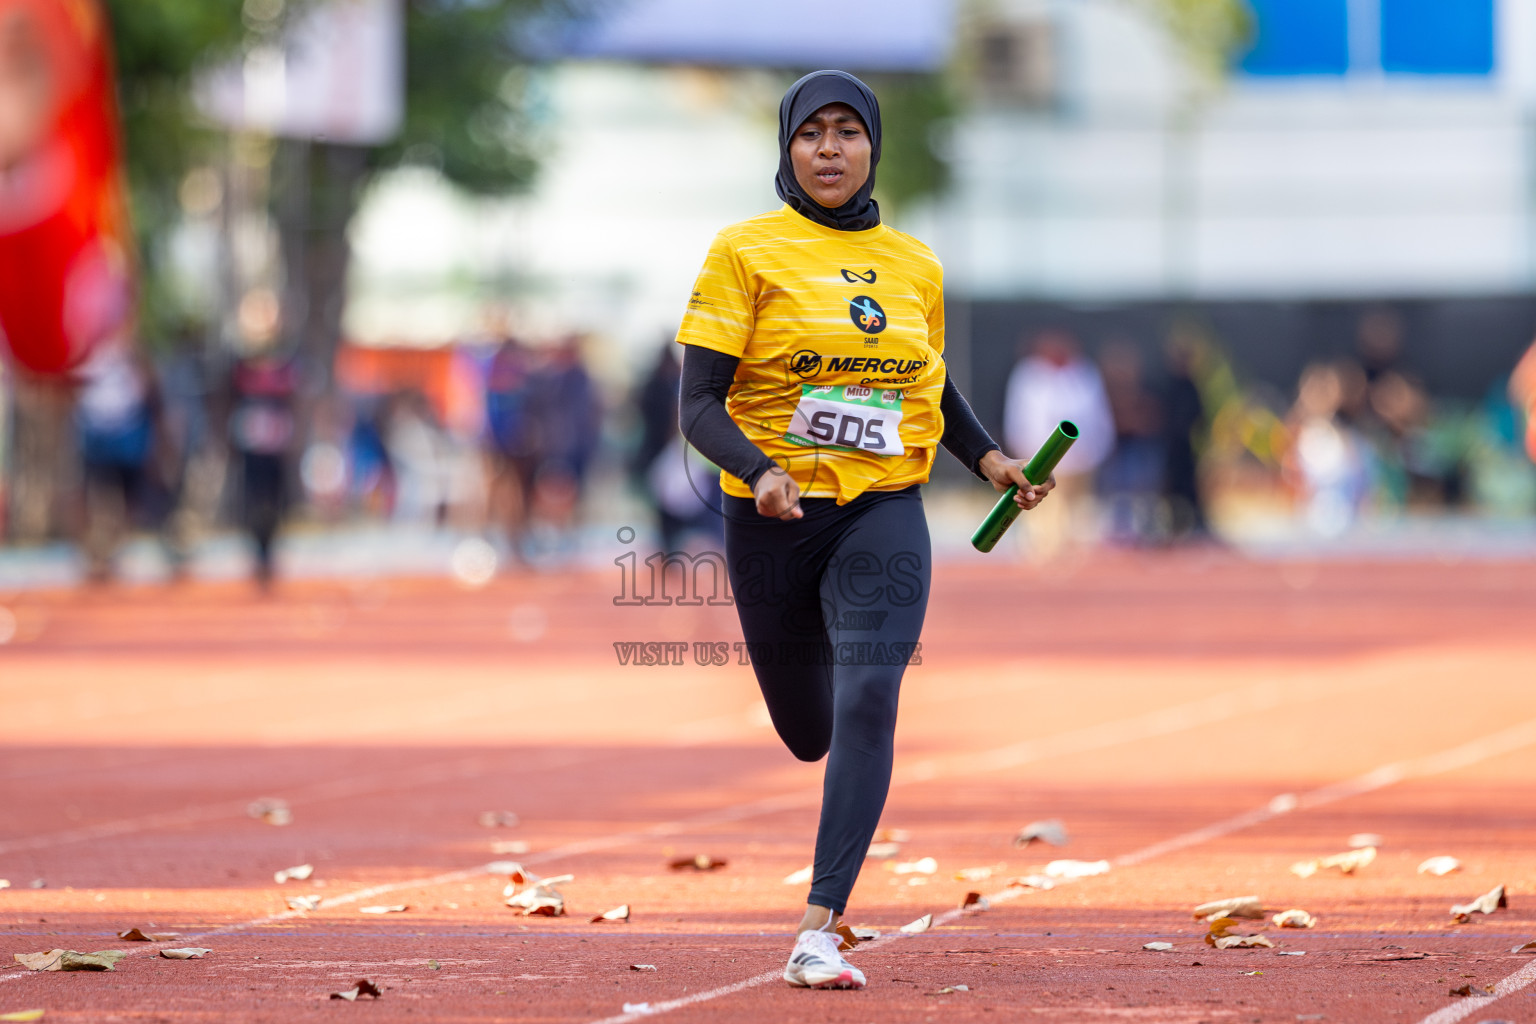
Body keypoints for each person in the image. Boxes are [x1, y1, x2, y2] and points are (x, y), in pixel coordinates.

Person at [675, 70, 1053, 992]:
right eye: (813, 134)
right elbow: (696, 404)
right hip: (771, 517)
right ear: (787, 149)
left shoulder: (915, 263)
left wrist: (990, 458)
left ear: (873, 146)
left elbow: (930, 385)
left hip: (882, 509)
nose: (831, 149)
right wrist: (760, 473)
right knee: (809, 729)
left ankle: (820, 922)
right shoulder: (744, 251)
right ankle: (825, 843)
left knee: (871, 695)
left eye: (848, 132)